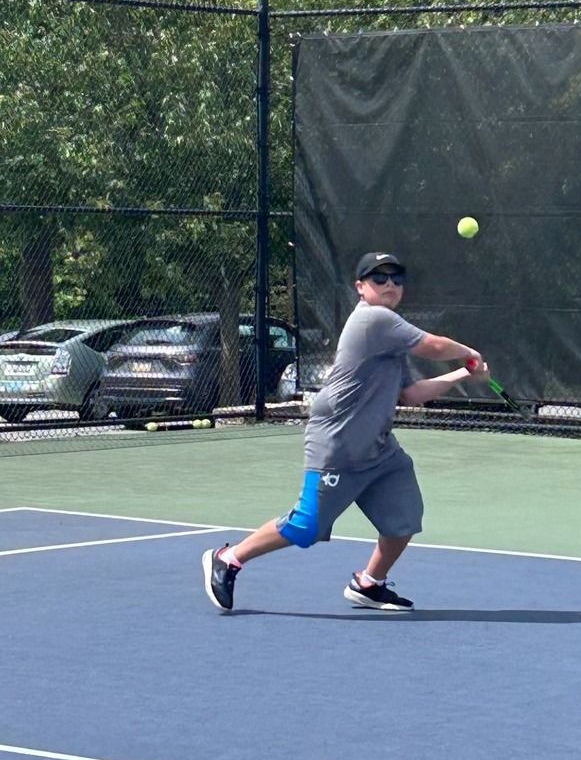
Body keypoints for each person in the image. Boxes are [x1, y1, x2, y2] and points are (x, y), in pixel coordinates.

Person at [201, 251, 488, 613]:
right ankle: (228, 558)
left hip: (379, 452)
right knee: (306, 527)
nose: (389, 284)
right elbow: (433, 346)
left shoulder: (391, 338)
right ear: (360, 287)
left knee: (402, 522)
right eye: (379, 278)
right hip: (337, 445)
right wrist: (470, 353)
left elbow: (410, 394)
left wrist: (464, 373)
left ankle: (369, 583)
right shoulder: (373, 319)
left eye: (396, 279)